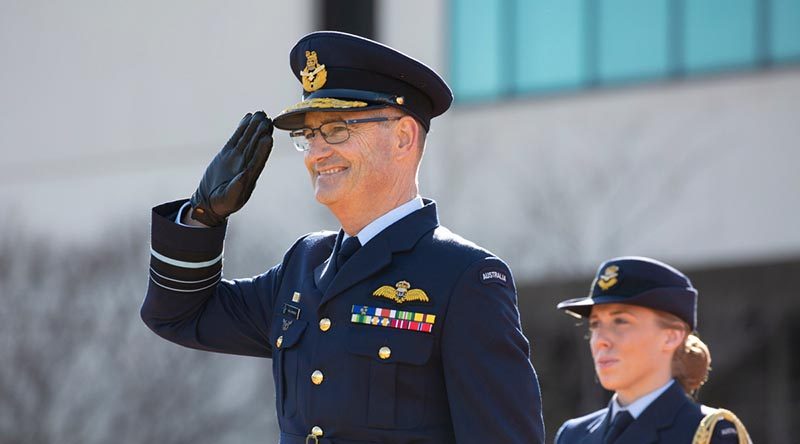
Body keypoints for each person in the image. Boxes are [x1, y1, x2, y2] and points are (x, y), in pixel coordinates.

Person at [140, 31, 544, 444]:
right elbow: (176, 315)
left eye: (335, 129)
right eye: (309, 136)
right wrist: (202, 217)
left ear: (403, 137)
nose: (316, 153)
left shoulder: (465, 278)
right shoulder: (305, 263)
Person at [553, 256, 751, 444]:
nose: (600, 340)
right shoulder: (573, 435)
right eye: (595, 324)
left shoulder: (707, 433)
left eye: (620, 321)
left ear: (671, 336)